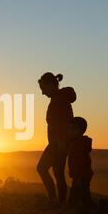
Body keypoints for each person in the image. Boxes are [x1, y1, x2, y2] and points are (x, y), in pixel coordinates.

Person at [37, 72, 76, 205]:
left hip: (58, 144)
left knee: (42, 168)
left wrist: (61, 143)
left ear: (51, 85)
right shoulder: (58, 99)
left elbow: (64, 122)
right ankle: (59, 202)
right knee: (58, 172)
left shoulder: (59, 100)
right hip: (59, 143)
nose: (42, 93)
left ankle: (54, 200)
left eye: (43, 89)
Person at [67, 117, 94, 207]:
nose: (70, 131)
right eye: (69, 128)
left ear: (81, 131)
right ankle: (86, 209)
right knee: (83, 194)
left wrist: (77, 175)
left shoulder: (78, 145)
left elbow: (80, 162)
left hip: (81, 175)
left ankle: (82, 211)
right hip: (79, 175)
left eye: (73, 129)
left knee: (79, 194)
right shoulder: (75, 143)